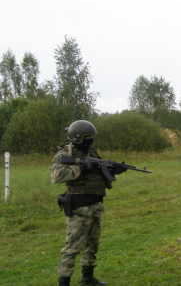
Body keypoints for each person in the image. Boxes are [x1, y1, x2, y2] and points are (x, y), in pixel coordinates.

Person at [51, 120, 127, 286]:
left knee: (92, 245)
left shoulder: (91, 152)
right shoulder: (67, 153)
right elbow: (56, 176)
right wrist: (80, 169)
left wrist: (114, 169)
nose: (91, 139)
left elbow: (98, 172)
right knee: (72, 248)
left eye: (92, 136)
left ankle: (88, 278)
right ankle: (64, 282)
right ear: (78, 137)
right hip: (79, 208)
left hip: (95, 206)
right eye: (87, 136)